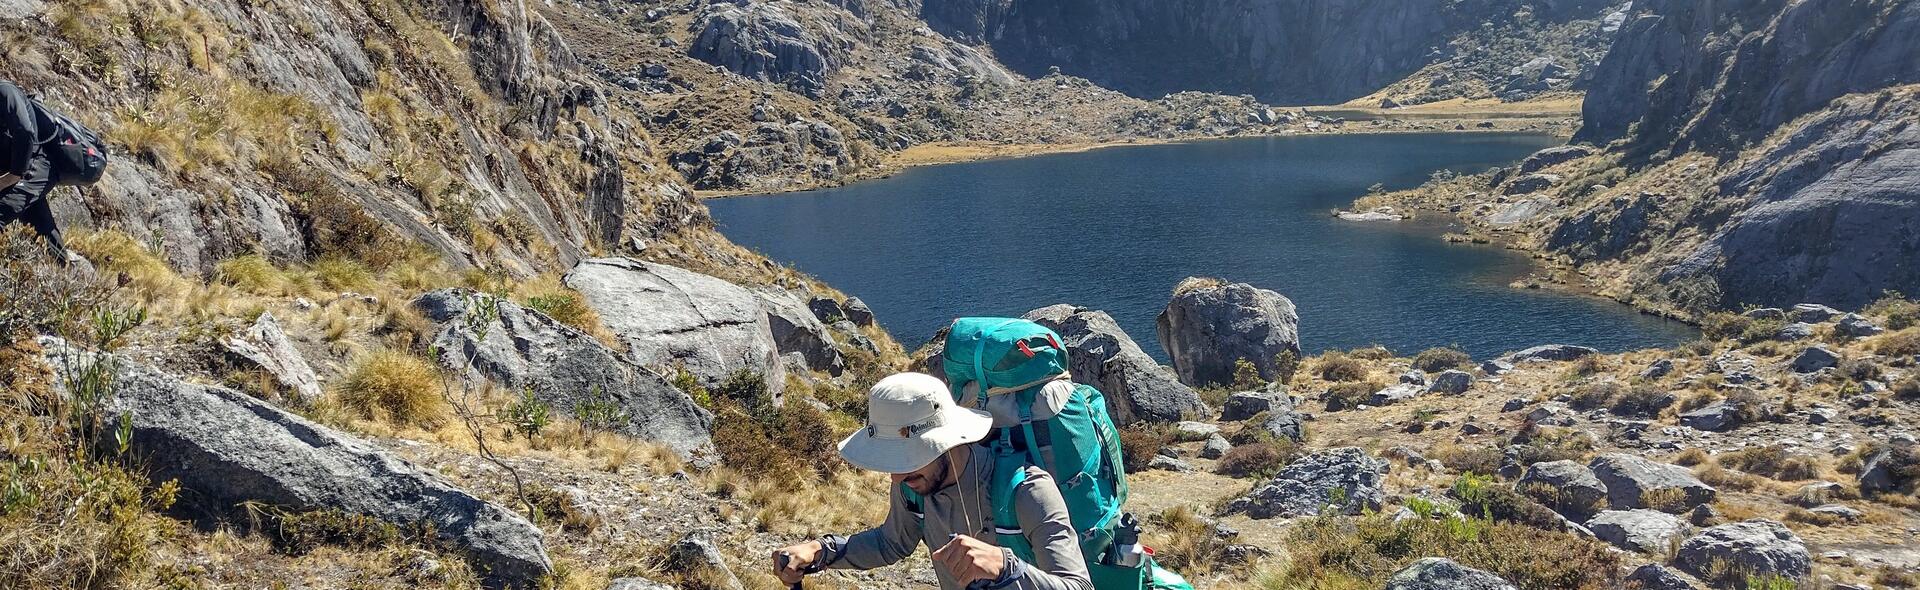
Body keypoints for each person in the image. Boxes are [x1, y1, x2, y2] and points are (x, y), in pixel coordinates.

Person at [771, 372, 1092, 590]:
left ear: (947, 443)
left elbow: (1078, 586)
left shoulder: (1027, 491)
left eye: (907, 460)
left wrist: (1006, 567)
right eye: (894, 463)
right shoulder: (914, 487)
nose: (897, 477)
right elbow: (890, 542)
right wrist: (821, 550)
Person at [1, 79, 83, 266]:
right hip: (24, 172)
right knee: (40, 223)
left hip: (36, 167)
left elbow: (26, 132)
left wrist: (14, 174)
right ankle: (62, 271)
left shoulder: (5, 91)